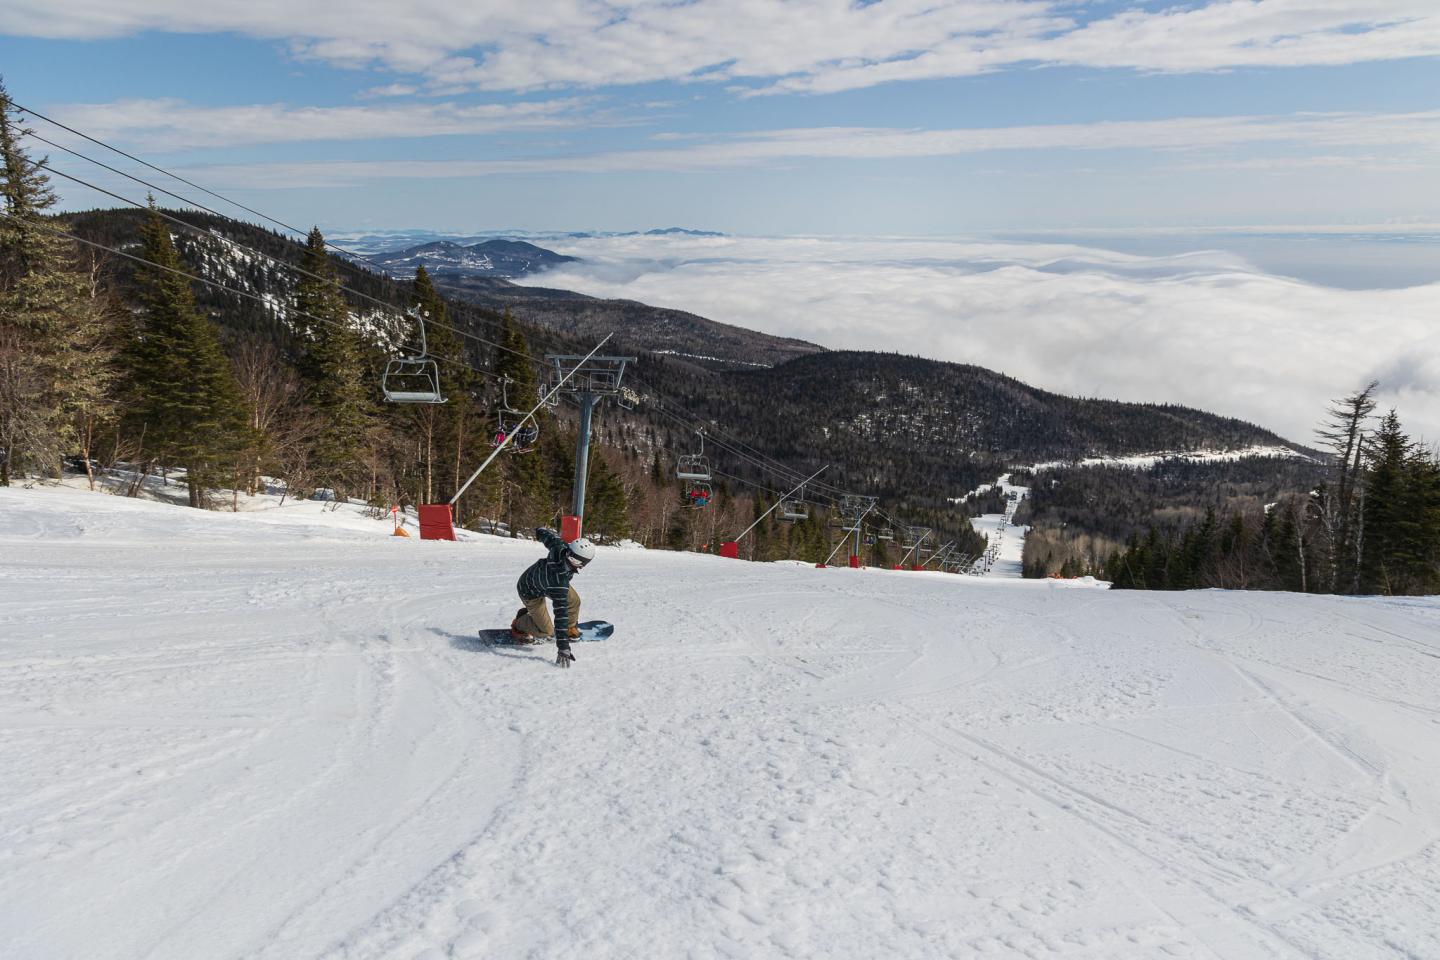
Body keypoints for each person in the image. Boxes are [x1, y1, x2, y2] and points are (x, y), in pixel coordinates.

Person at [511, 527, 596, 667]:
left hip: (543, 581)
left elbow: (549, 537)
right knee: (547, 631)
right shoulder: (559, 583)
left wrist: (540, 531)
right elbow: (561, 614)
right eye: (571, 557)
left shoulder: (560, 547)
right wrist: (563, 647)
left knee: (574, 601)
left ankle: (569, 628)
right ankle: (520, 623)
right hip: (529, 590)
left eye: (575, 560)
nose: (570, 561)